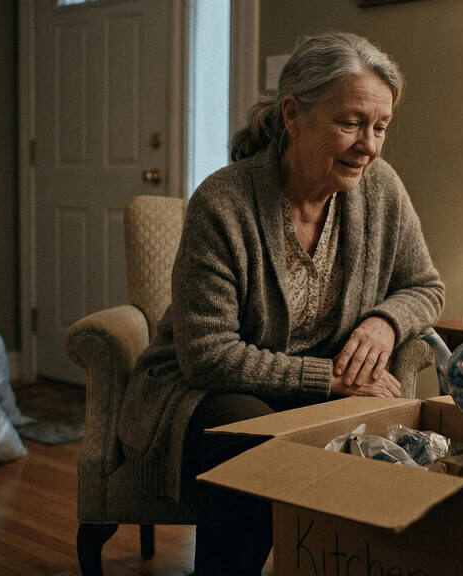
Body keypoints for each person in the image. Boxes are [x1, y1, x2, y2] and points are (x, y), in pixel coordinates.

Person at [117, 31, 444, 575]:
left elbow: (425, 287)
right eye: (350, 123)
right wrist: (331, 379)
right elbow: (209, 355)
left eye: (380, 126)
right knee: (254, 440)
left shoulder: (381, 188)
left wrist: (386, 322)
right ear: (293, 114)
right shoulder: (224, 202)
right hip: (203, 392)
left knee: (384, 441)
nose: (370, 145)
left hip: (309, 389)